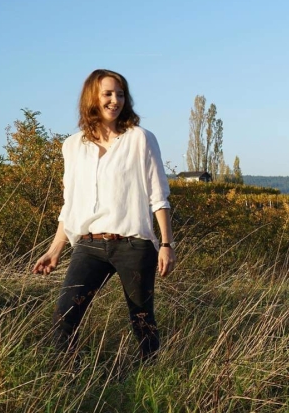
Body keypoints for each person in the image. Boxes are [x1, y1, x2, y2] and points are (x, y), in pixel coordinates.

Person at [33, 69, 176, 361]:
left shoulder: (140, 139)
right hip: (88, 245)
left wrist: (166, 244)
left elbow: (158, 196)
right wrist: (55, 249)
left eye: (120, 94)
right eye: (108, 94)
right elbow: (71, 204)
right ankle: (67, 376)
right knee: (65, 315)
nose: (115, 101)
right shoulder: (73, 146)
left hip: (133, 245)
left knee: (142, 319)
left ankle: (151, 373)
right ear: (92, 99)